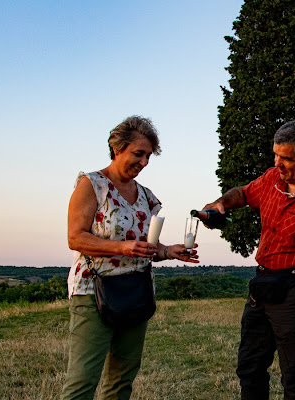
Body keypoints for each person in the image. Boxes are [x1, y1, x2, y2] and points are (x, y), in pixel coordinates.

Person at [202, 120, 295, 400]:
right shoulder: (271, 178)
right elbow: (244, 193)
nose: (278, 164)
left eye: (286, 158)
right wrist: (221, 203)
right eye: (276, 155)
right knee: (249, 368)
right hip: (262, 285)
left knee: (294, 379)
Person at [61, 116, 199, 400]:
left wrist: (167, 251)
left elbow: (148, 247)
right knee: (82, 381)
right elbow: (75, 238)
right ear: (117, 148)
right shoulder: (92, 185)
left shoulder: (147, 197)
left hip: (136, 291)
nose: (144, 162)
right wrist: (121, 248)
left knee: (122, 380)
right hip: (94, 292)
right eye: (138, 154)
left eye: (148, 156)